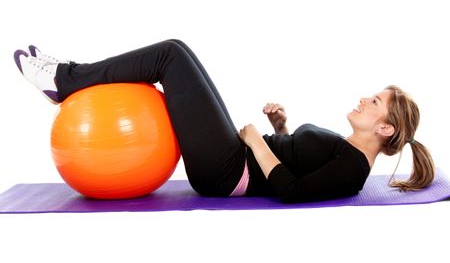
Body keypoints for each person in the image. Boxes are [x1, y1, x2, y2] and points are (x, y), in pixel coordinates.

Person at [13, 39, 435, 203]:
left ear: (386, 129)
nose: (366, 98)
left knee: (170, 56)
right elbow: (297, 164)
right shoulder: (346, 149)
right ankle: (67, 76)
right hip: (237, 156)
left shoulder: (354, 171)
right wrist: (281, 128)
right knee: (180, 51)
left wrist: (257, 141)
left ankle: (63, 78)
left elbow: (290, 190)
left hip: (226, 172)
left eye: (376, 101)